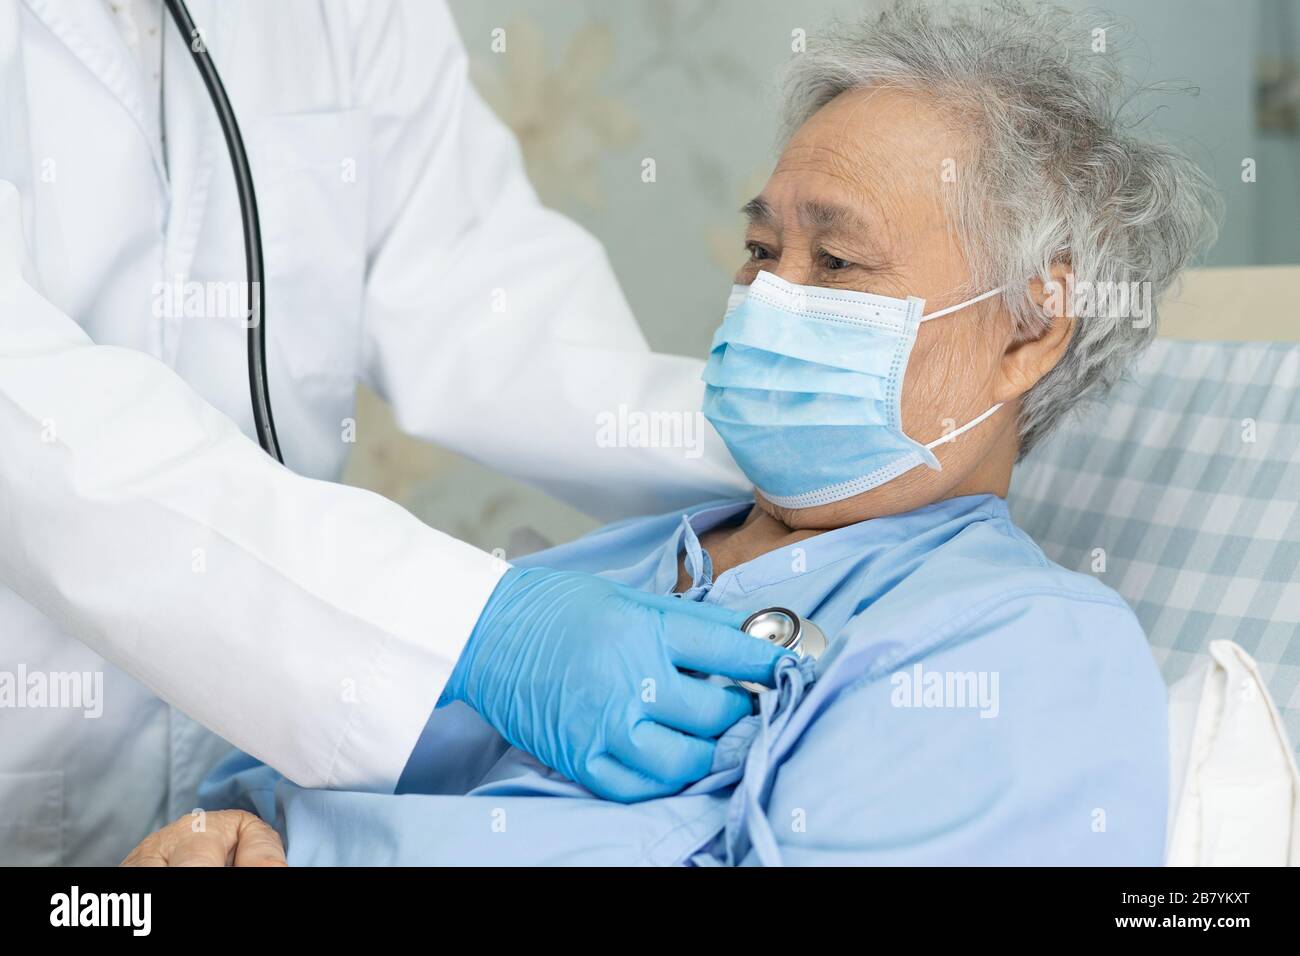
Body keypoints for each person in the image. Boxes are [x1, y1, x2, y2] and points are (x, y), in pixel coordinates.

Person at [124, 0, 1220, 866]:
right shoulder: (605, 575)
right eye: (759, 249)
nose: (769, 297)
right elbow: (296, 766)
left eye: (835, 263)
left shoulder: (1009, 647)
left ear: (1031, 325)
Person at [0, 0, 786, 866]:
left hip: (211, 809)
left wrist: (762, 437)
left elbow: (473, 284)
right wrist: (474, 627)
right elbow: (30, 416)